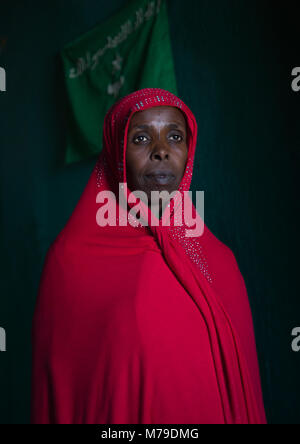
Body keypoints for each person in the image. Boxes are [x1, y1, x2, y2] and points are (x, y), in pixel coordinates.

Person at [31, 88, 267, 424]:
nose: (161, 151)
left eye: (175, 136)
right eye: (141, 138)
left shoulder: (219, 262)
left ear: (189, 150)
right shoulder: (70, 262)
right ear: (117, 154)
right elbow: (63, 394)